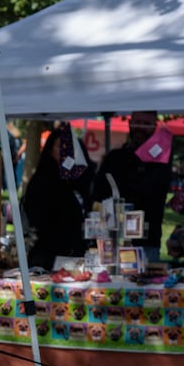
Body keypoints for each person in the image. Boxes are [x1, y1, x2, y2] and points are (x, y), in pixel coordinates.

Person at [89, 110, 171, 262]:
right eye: (137, 122)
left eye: (146, 124)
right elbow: (98, 194)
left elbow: (149, 192)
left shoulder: (161, 161)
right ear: (129, 123)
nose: (140, 128)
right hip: (111, 240)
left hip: (146, 242)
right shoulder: (114, 157)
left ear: (155, 127)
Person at [21, 123, 93, 269]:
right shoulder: (43, 181)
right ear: (50, 149)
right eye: (60, 146)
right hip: (49, 258)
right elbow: (39, 219)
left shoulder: (77, 181)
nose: (65, 151)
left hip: (75, 256)